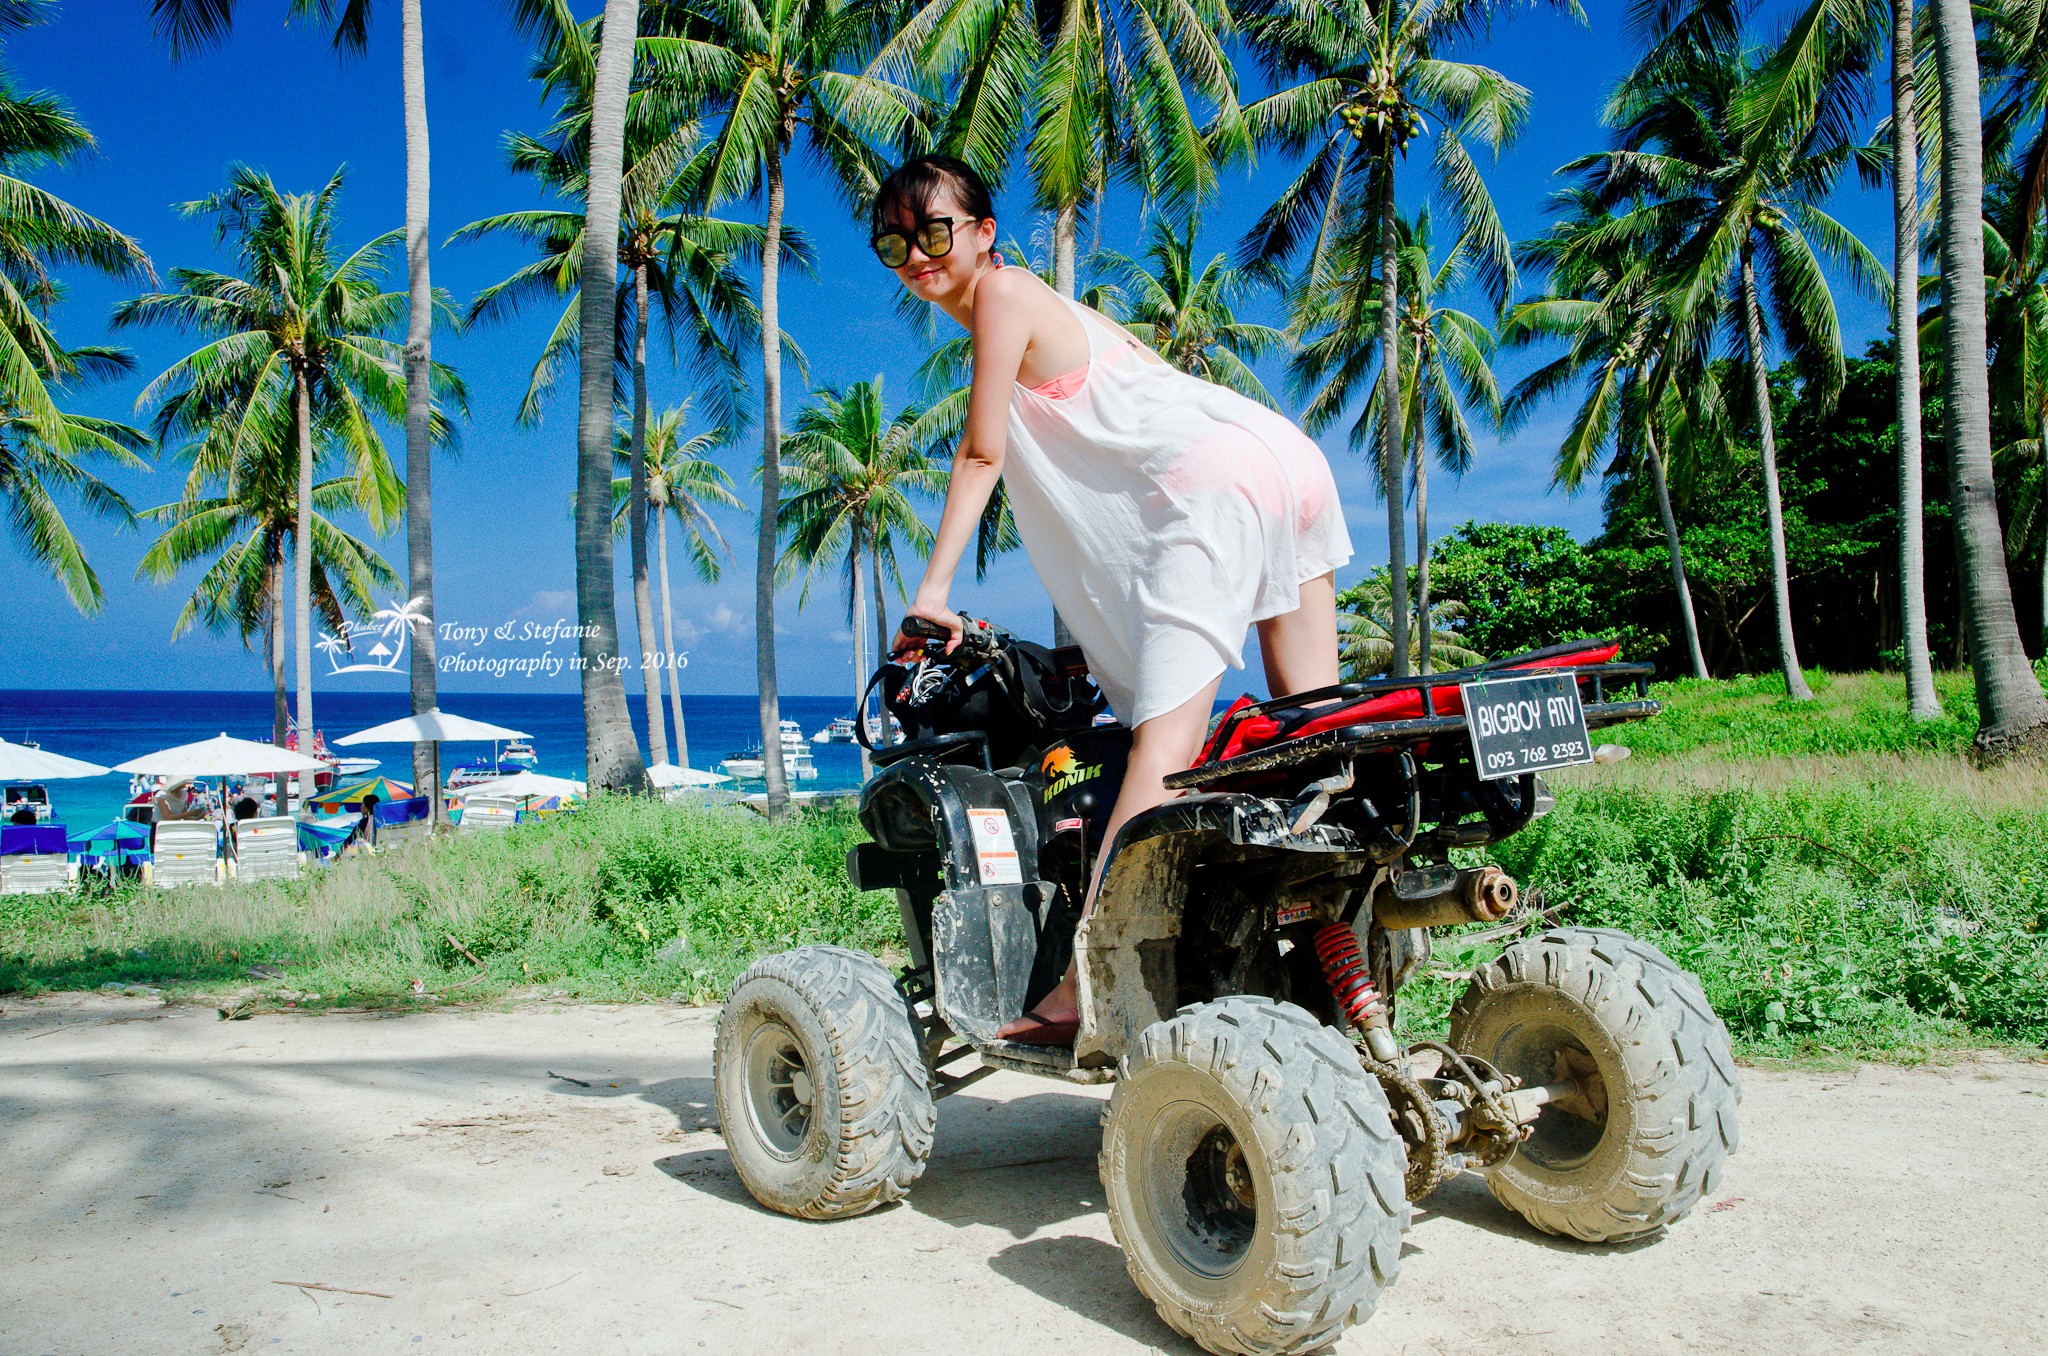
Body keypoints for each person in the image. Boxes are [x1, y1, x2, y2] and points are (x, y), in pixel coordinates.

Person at [875, 155, 1352, 1045]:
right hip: (1281, 457)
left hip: (1210, 483)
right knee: (1311, 739)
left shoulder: (1005, 296)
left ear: (984, 232)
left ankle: (1076, 986)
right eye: (894, 241)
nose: (916, 255)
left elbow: (980, 453)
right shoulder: (1070, 314)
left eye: (936, 231)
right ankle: (1341, 982)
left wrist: (932, 590)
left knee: (1159, 759)